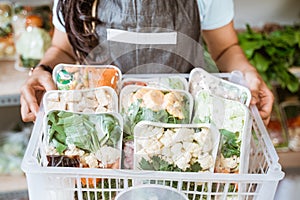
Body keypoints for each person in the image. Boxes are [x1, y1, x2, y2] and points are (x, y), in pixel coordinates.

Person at [20, 0, 274, 125]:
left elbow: (225, 48)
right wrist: (43, 70)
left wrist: (247, 74)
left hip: (185, 128)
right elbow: (62, 49)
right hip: (98, 128)